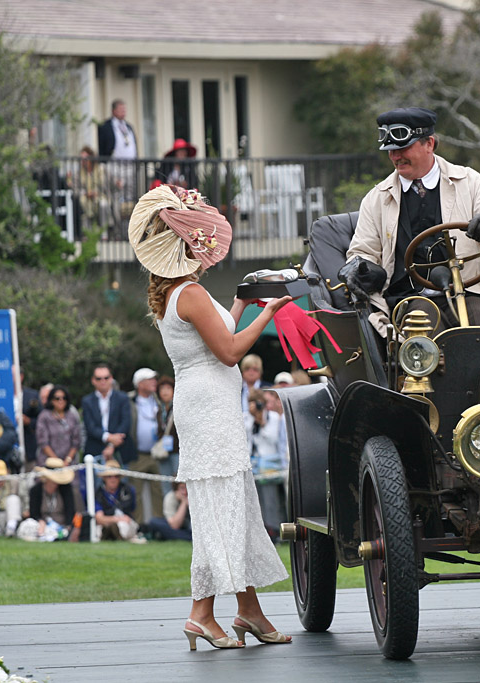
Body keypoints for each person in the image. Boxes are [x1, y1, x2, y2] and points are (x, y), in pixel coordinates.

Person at [129, 182, 291, 649]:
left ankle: (248, 611)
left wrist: (241, 300)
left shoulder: (173, 293)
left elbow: (219, 332)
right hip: (210, 403)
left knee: (229, 506)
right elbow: (229, 350)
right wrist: (271, 312)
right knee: (222, 508)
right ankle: (203, 613)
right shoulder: (192, 293)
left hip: (200, 401)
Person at [340, 107, 480, 335]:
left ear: (429, 144)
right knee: (423, 339)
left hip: (470, 289)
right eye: (390, 150)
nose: (395, 157)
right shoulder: (377, 198)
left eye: (403, 148)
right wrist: (359, 267)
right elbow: (362, 251)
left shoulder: (469, 182)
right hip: (409, 297)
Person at [246, 389, 286, 540]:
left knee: (272, 499)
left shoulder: (274, 418)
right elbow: (249, 440)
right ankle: (263, 531)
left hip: (270, 464)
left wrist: (262, 422)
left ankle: (275, 529)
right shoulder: (247, 419)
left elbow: (273, 439)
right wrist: (254, 420)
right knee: (258, 499)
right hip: (254, 464)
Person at [128, 367, 164, 524]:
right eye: (150, 379)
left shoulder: (159, 400)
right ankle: (139, 526)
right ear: (139, 383)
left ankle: (160, 526)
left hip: (158, 454)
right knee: (136, 492)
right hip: (138, 454)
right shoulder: (129, 401)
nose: (154, 382)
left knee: (160, 491)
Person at [81, 363, 132, 464]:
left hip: (120, 450)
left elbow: (126, 423)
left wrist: (111, 445)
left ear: (111, 378)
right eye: (99, 378)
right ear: (93, 380)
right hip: (95, 450)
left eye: (106, 378)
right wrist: (108, 437)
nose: (103, 381)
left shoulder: (123, 398)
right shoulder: (87, 401)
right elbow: (90, 426)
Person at [18, 457, 76, 541]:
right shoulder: (36, 490)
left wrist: (67, 526)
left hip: (61, 526)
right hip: (42, 526)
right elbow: (34, 513)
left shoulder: (66, 489)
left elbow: (70, 511)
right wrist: (41, 521)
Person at [98, 99, 138, 206]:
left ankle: (129, 219)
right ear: (113, 111)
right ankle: (116, 220)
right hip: (115, 166)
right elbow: (103, 146)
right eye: (121, 109)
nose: (124, 112)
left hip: (130, 166)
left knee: (130, 194)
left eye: (124, 109)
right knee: (116, 193)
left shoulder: (128, 126)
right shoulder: (106, 126)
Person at [69, 145, 117, 231]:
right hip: (86, 198)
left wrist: (97, 192)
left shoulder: (101, 169)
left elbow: (109, 184)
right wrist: (85, 193)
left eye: (85, 159)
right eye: (81, 159)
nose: (83, 161)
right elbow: (75, 188)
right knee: (83, 203)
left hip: (100, 196)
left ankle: (103, 231)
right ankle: (88, 234)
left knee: (103, 204)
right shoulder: (78, 173)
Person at [94, 460, 143, 542]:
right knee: (98, 530)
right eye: (109, 476)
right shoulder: (98, 493)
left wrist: (122, 520)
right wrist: (116, 519)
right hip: (107, 523)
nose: (113, 479)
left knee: (125, 526)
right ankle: (112, 533)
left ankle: (115, 535)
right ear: (104, 478)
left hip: (125, 523)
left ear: (120, 478)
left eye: (116, 476)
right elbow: (99, 518)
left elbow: (132, 511)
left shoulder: (128, 490)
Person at [35, 385, 81, 467]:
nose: (61, 401)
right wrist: (58, 462)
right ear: (51, 400)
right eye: (57, 398)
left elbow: (76, 441)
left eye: (64, 398)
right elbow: (43, 442)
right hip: (48, 462)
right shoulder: (44, 416)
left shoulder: (72, 415)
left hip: (70, 463)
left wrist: (67, 460)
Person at [155, 376, 179, 496]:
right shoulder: (160, 410)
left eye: (168, 388)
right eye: (162, 388)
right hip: (164, 453)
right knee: (165, 484)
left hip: (177, 451)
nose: (165, 391)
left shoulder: (179, 407)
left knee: (178, 483)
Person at [20, 372, 42, 473]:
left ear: (21, 376)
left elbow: (41, 420)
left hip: (29, 447)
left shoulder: (32, 395)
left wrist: (29, 421)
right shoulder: (3, 394)